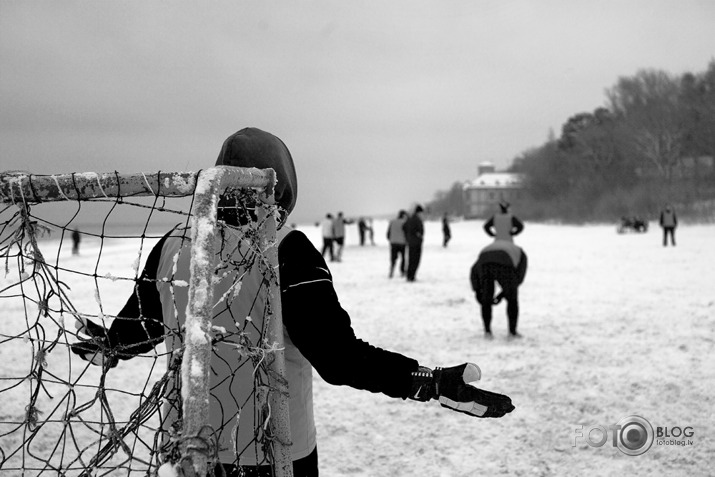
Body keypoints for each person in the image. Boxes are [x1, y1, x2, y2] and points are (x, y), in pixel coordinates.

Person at [69, 127, 516, 477]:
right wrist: (428, 380)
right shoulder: (286, 249)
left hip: (186, 448)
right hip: (274, 452)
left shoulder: (176, 242)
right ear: (280, 184)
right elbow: (338, 358)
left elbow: (138, 329)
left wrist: (107, 344)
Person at [470, 240, 527, 340]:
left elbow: (474, 271)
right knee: (512, 299)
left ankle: (487, 331)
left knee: (486, 297)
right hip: (504, 262)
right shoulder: (521, 254)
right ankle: (512, 332)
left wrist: (478, 291)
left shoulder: (490, 249)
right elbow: (518, 279)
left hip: (484, 261)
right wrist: (504, 294)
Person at [403, 205, 425, 282]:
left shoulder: (410, 219)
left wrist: (407, 237)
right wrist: (418, 235)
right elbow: (418, 230)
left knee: (411, 259)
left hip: (411, 242)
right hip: (416, 242)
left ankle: (410, 276)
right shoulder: (416, 219)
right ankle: (411, 276)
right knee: (415, 260)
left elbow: (404, 227)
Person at [386, 210, 407, 278]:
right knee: (403, 258)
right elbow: (406, 232)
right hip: (402, 243)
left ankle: (391, 271)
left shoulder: (392, 222)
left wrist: (390, 239)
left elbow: (388, 232)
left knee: (393, 258)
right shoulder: (404, 222)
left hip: (393, 242)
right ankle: (402, 271)